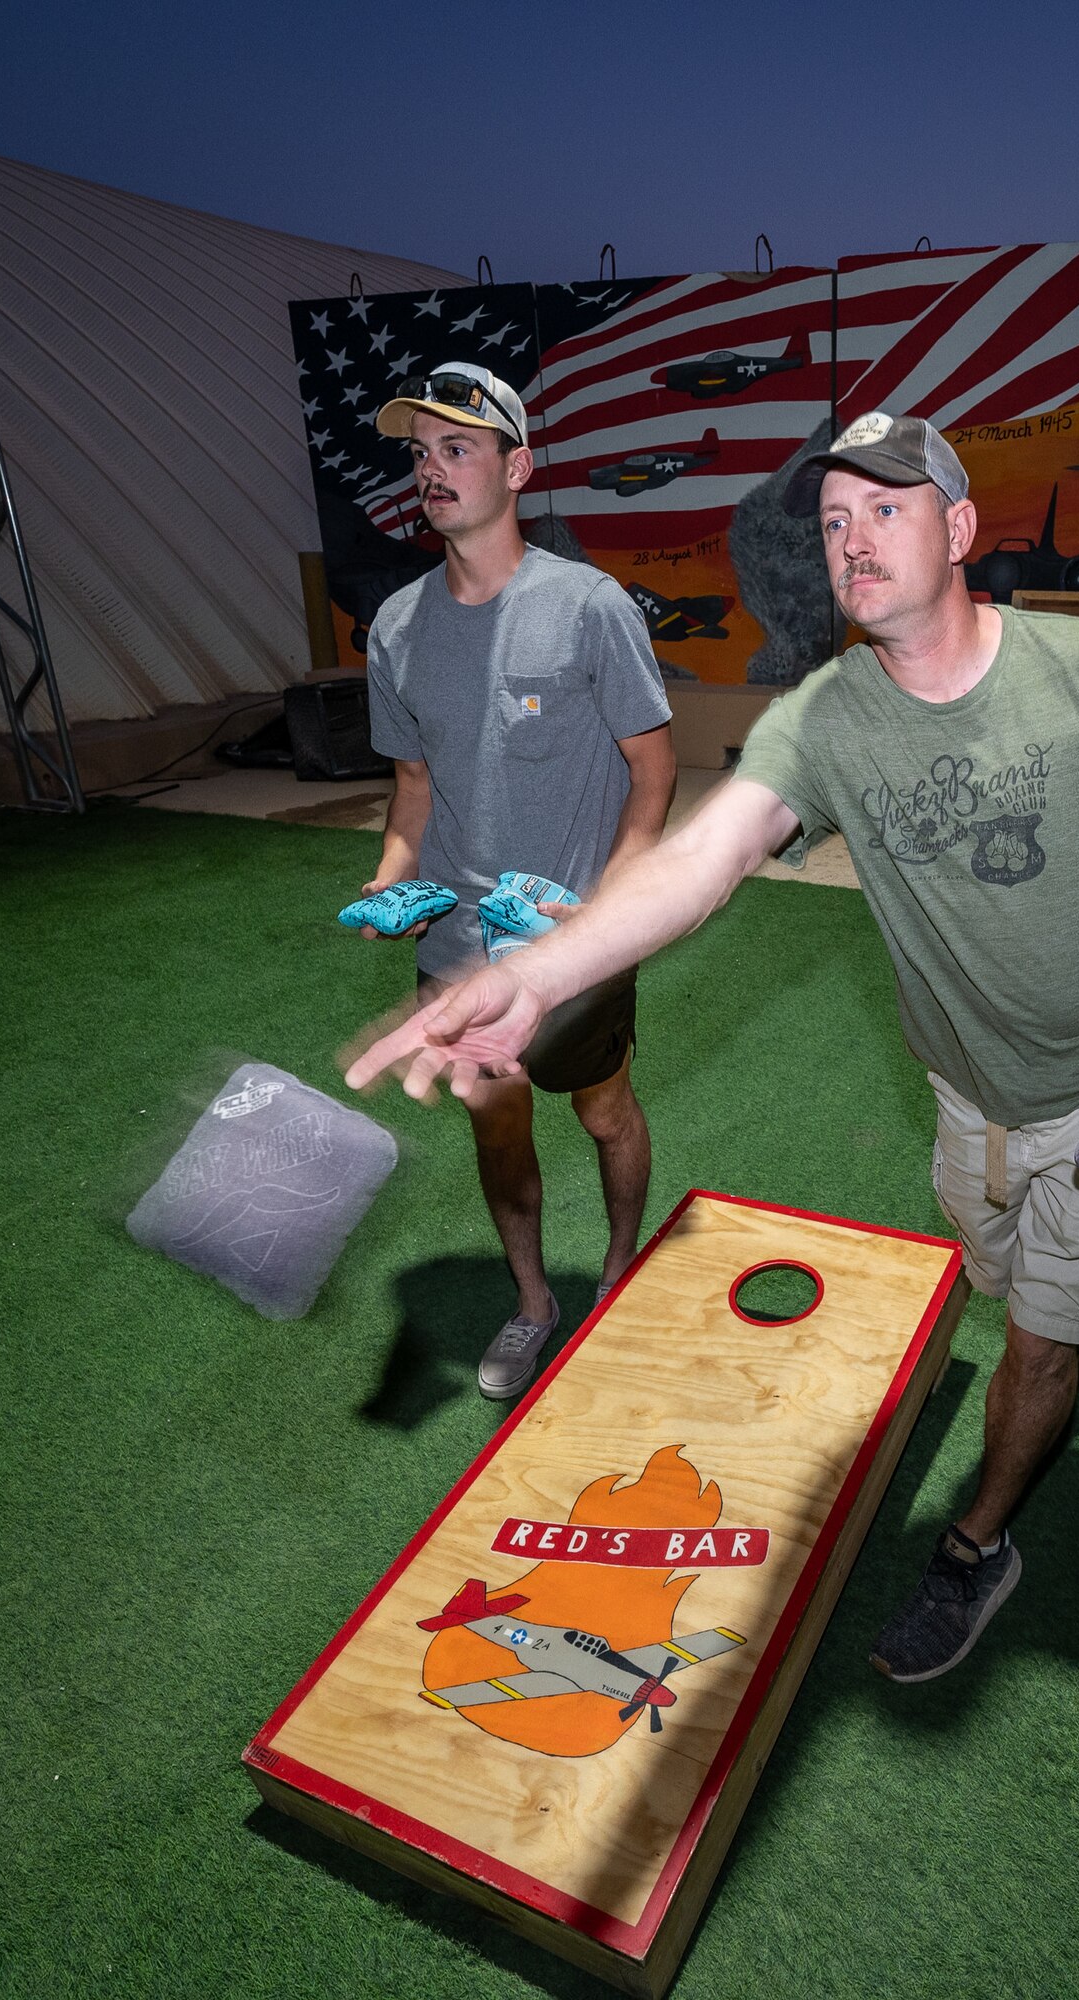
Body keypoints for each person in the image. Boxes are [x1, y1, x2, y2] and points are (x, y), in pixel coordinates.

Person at [346, 411, 1079, 1680]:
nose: (852, 538)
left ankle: (977, 1544)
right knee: (999, 1285)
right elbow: (703, 859)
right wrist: (531, 973)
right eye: (833, 521)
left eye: (886, 509)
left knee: (1039, 1343)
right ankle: (1075, 1312)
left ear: (956, 528)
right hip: (964, 1099)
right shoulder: (824, 715)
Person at [358, 360, 676, 1400]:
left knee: (601, 1112)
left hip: (571, 947)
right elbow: (411, 787)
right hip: (455, 950)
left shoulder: (588, 608)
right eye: (420, 453)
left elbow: (653, 768)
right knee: (497, 1125)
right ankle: (534, 1300)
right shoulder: (396, 629)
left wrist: (610, 914)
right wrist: (391, 879)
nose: (432, 470)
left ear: (516, 466)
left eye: (457, 447)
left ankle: (621, 1272)